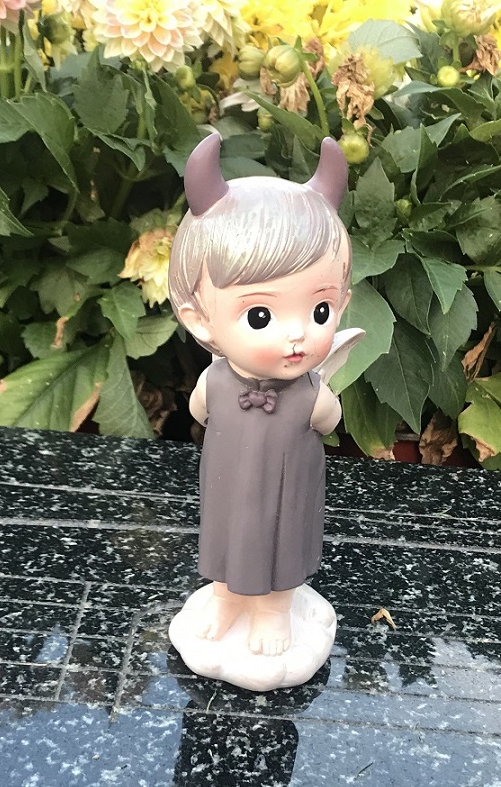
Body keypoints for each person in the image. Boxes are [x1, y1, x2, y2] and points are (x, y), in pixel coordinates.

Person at [168, 133, 352, 658]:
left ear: (342, 302)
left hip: (287, 492)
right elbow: (200, 410)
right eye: (260, 315)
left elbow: (328, 419)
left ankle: (274, 609)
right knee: (225, 540)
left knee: (282, 545)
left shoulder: (309, 393)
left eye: (319, 311)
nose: (297, 335)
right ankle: (225, 598)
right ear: (199, 319)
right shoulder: (215, 382)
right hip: (229, 485)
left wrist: (323, 398)